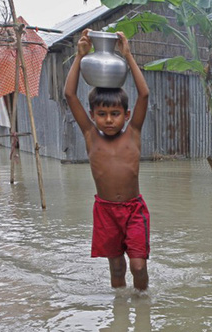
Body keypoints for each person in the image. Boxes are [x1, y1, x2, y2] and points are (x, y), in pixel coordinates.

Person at [65, 29, 151, 291]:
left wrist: (128, 55)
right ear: (92, 115)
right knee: (116, 266)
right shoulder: (91, 136)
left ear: (126, 115)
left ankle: (142, 303)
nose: (109, 119)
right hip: (105, 211)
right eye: (102, 114)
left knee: (138, 265)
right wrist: (80, 57)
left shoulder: (133, 134)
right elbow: (70, 95)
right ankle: (120, 311)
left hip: (134, 210)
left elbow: (144, 95)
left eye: (115, 113)